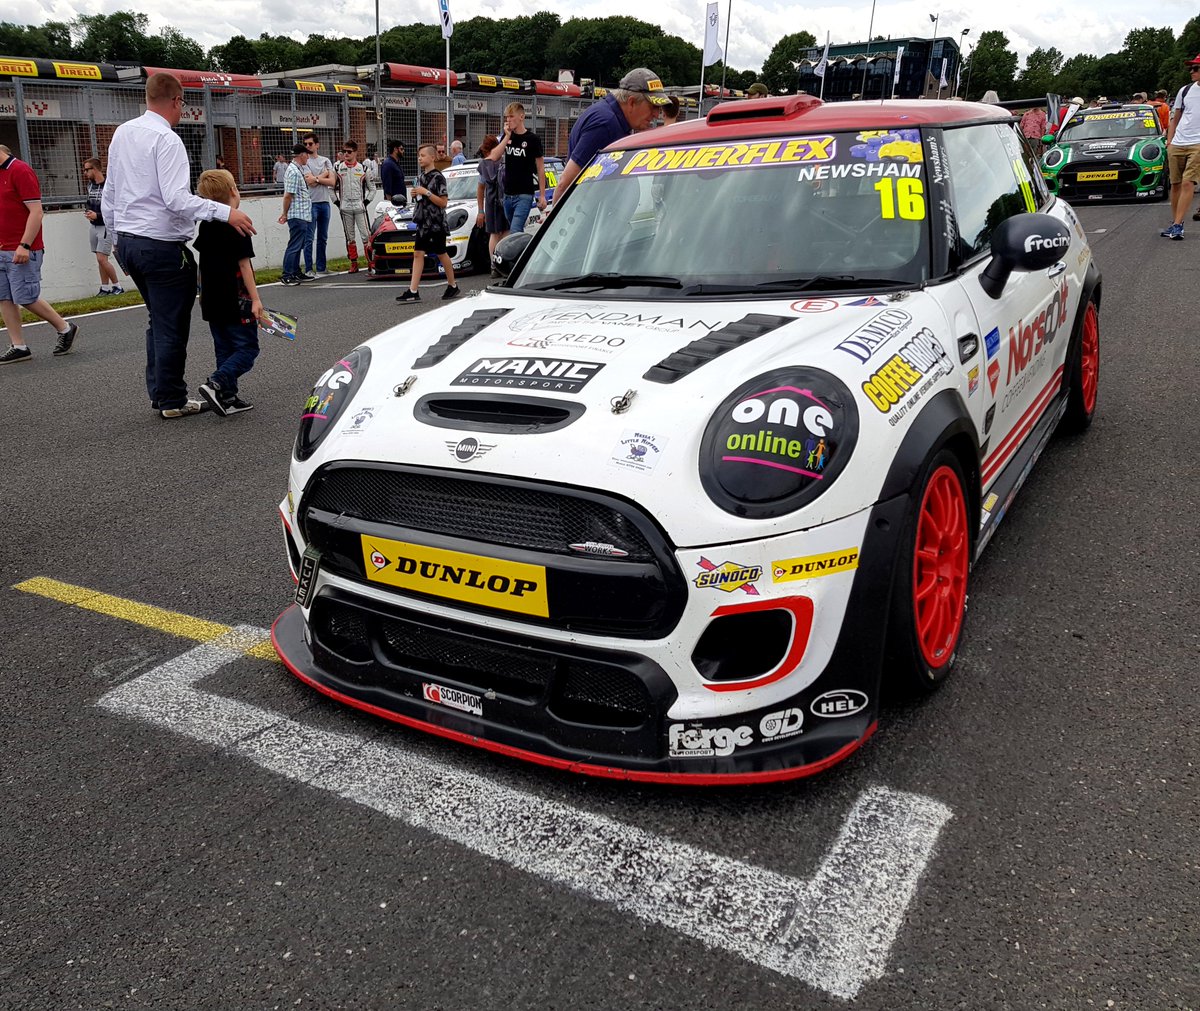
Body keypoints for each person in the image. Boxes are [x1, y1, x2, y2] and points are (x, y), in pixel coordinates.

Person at [101, 72, 255, 418]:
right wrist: (225, 213)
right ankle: (172, 399)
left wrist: (115, 237)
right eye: (183, 103)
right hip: (160, 244)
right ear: (176, 100)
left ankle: (161, 393)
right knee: (170, 323)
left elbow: (110, 192)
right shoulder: (167, 140)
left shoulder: (123, 132)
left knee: (157, 320)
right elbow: (176, 199)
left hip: (128, 240)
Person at [0, 144, 80, 364]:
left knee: (25, 297)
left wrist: (24, 245)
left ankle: (65, 328)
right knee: (5, 298)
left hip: (22, 248)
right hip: (2, 248)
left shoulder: (20, 170)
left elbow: (36, 211)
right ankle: (19, 346)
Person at [192, 169, 263, 416]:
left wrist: (202, 294)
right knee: (247, 349)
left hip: (212, 299)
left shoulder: (207, 225)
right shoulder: (239, 223)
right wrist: (256, 300)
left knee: (223, 348)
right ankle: (217, 383)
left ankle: (227, 396)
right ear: (234, 190)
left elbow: (203, 263)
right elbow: (245, 265)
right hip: (237, 299)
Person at [556, 68, 670, 193]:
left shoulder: (611, 117)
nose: (656, 115)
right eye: (653, 106)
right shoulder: (606, 125)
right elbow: (564, 184)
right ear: (631, 102)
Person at [396, 143, 459, 303]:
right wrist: (416, 194)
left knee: (441, 253)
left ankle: (452, 284)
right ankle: (413, 290)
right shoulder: (421, 178)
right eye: (419, 156)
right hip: (423, 223)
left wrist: (427, 192)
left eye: (423, 156)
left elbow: (443, 202)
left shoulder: (439, 177)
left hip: (436, 223)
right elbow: (421, 199)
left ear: (432, 157)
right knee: (417, 253)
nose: (420, 159)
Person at [486, 102, 548, 233]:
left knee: (515, 230)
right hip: (508, 194)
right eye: (507, 117)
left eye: (511, 116)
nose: (508, 120)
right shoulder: (507, 136)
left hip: (524, 193)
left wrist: (542, 195)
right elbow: (495, 156)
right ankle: (524, 251)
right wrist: (507, 136)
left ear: (521, 117)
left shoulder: (533, 139)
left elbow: (540, 168)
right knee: (515, 232)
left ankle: (517, 253)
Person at [1161, 54, 1200, 240]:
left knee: (1187, 182)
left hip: (1197, 144)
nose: (1191, 72)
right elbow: (1175, 120)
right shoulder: (1184, 91)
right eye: (1191, 68)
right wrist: (1170, 142)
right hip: (1178, 142)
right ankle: (1176, 222)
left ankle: (1177, 225)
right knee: (1175, 184)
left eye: (1195, 68)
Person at [82, 156, 124, 296]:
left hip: (105, 225)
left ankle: (117, 285)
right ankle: (105, 287)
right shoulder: (90, 185)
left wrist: (98, 216)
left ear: (95, 169)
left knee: (102, 258)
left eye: (87, 170)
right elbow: (90, 201)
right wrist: (89, 213)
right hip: (93, 225)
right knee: (99, 259)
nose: (85, 173)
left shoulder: (108, 186)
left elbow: (114, 208)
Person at [336, 140, 375, 273]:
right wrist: (336, 202)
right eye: (344, 151)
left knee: (366, 236)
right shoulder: (338, 168)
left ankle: (370, 262)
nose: (346, 154)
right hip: (345, 208)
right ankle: (354, 263)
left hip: (360, 208)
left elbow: (372, 189)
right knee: (350, 237)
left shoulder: (364, 169)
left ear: (355, 153)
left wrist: (366, 202)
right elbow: (331, 188)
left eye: (349, 152)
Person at [300, 132, 335, 276]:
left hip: (324, 203)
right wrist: (323, 175)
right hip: (312, 203)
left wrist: (318, 178)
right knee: (309, 237)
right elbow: (310, 183)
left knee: (323, 237)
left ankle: (321, 267)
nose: (308, 146)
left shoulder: (325, 160)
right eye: (306, 144)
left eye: (310, 144)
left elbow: (332, 182)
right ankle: (309, 268)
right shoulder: (305, 162)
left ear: (317, 145)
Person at [475, 135, 509, 277]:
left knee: (494, 234)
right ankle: (505, 263)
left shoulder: (484, 164)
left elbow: (480, 188)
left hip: (491, 202)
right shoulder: (504, 161)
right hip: (506, 199)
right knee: (507, 232)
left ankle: (494, 265)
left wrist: (480, 210)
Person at [279, 142, 312, 283]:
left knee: (298, 245)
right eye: (307, 155)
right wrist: (284, 213)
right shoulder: (293, 171)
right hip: (297, 214)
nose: (308, 158)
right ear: (302, 155)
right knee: (294, 245)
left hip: (302, 214)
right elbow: (288, 195)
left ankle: (295, 271)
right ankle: (287, 274)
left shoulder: (296, 169)